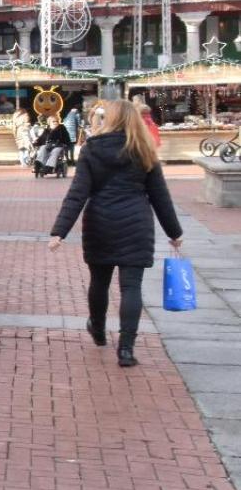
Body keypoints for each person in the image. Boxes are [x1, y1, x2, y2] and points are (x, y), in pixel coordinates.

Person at [49, 100, 184, 368]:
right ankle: (126, 349)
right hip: (136, 223)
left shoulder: (92, 149)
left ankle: (97, 329)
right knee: (131, 287)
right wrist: (174, 232)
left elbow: (78, 193)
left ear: (108, 119)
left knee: (99, 281)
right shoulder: (144, 149)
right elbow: (160, 196)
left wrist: (59, 231)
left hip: (100, 222)